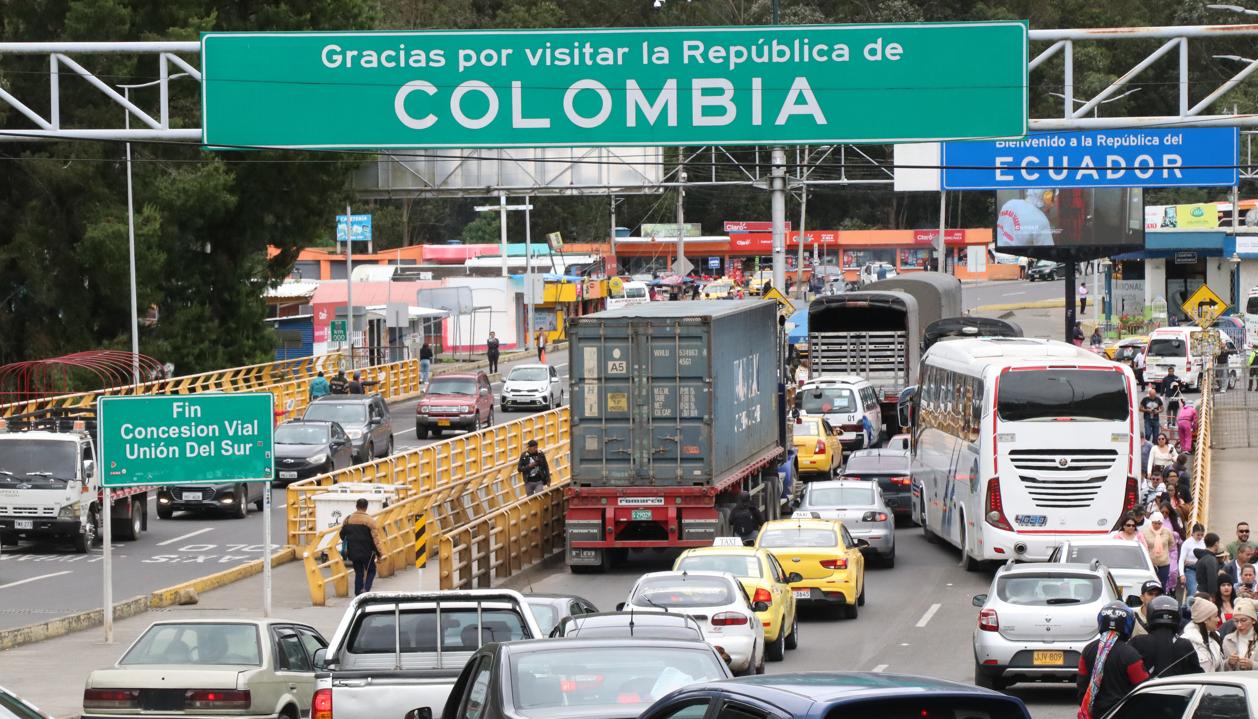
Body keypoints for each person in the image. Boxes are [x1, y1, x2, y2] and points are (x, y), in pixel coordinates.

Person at [1076, 602, 1148, 719]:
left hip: (1093, 713)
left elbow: (1082, 684)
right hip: (1121, 712)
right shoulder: (1130, 654)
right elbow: (1142, 687)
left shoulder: (1088, 650)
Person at [1130, 596, 1204, 677]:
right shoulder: (1185, 645)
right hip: (1178, 689)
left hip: (1146, 689)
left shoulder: (1138, 642)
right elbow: (1197, 675)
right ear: (1178, 615)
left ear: (1150, 614)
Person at [339, 498, 385, 596]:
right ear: (366, 507)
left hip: (353, 552)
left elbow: (342, 535)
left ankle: (357, 594)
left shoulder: (348, 519)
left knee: (358, 572)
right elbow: (375, 539)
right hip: (367, 552)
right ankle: (365, 590)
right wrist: (379, 553)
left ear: (356, 506)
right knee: (371, 570)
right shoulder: (370, 521)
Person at [1182, 596, 1225, 671]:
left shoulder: (1214, 637)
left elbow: (1216, 667)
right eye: (1215, 616)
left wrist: (1228, 663)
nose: (1218, 620)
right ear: (1205, 620)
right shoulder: (1187, 641)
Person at [1142, 512, 1178, 589]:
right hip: (1150, 564)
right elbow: (1143, 546)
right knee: (1150, 586)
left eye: (1159, 523)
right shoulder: (1145, 532)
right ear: (1151, 522)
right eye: (1155, 523)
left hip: (1164, 563)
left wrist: (1164, 551)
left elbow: (1172, 544)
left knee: (1162, 585)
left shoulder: (1167, 531)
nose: (1157, 525)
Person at [1223, 598, 1258, 671]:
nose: (1239, 625)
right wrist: (1229, 662)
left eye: (1243, 620)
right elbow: (1219, 666)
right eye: (1236, 621)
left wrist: (1253, 665)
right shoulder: (1228, 639)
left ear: (1253, 620)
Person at [1181, 523, 1207, 600]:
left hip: (1202, 569)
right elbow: (1181, 559)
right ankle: (1189, 610)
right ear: (1192, 533)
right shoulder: (1187, 543)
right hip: (1190, 570)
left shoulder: (1204, 542)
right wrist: (1182, 575)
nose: (1200, 537)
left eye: (1202, 535)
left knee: (1203, 592)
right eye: (1198, 535)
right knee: (1192, 591)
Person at [1195, 533, 1224, 598]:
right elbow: (1212, 579)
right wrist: (1213, 596)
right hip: (1206, 595)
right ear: (1216, 543)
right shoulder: (1211, 559)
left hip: (1200, 592)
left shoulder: (1203, 557)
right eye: (1218, 543)